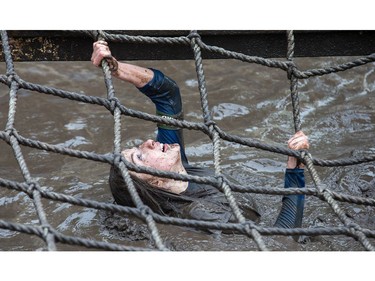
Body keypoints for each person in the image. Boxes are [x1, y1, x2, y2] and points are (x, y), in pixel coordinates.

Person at [91, 41, 309, 232]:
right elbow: (284, 238)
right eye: (139, 156)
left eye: (137, 147)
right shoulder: (201, 214)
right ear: (156, 182)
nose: (147, 143)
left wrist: (117, 68)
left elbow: (167, 95)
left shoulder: (178, 170)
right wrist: (294, 169)